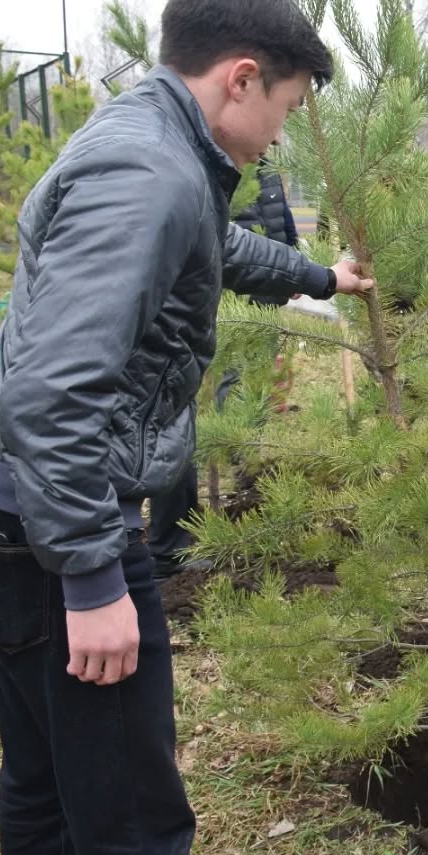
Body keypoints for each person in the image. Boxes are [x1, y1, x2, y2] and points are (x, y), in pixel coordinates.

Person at [0, 0, 373, 855]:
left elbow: (214, 246)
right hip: (51, 524)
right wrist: (92, 575)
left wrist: (319, 276)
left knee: (46, 777)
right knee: (134, 818)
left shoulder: (149, 137)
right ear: (241, 79)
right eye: (287, 106)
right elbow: (53, 397)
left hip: (4, 503)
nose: (283, 132)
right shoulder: (154, 174)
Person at [148, 158, 304, 579]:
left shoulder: (266, 166)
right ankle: (167, 543)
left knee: (253, 382)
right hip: (231, 296)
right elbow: (221, 242)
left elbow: (281, 217)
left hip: (263, 288)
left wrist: (293, 263)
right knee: (205, 401)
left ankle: (243, 459)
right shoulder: (212, 170)